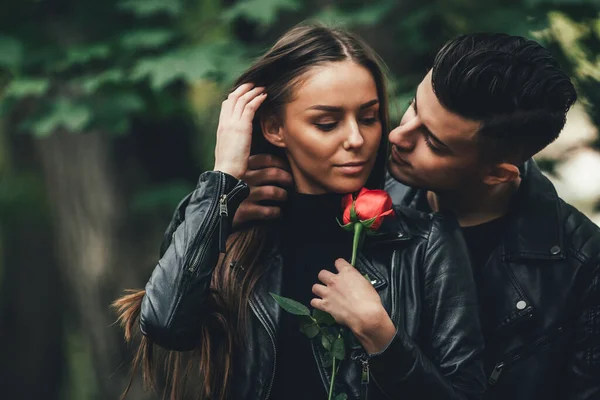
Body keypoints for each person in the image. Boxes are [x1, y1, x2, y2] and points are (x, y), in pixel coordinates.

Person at [113, 24, 487, 400]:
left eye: (369, 117)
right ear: (275, 128)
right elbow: (165, 323)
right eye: (327, 123)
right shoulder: (236, 237)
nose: (356, 139)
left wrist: (381, 335)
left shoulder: (426, 242)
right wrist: (223, 177)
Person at [239, 32, 600, 400]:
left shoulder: (583, 267)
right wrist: (226, 207)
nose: (397, 135)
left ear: (498, 174)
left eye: (433, 142)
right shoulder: (364, 197)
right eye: (413, 106)